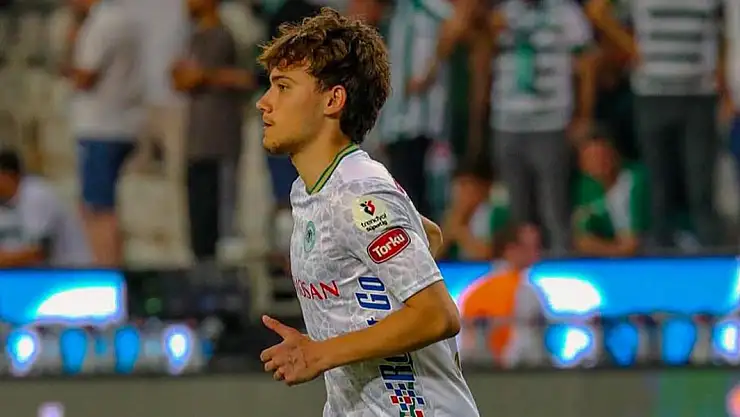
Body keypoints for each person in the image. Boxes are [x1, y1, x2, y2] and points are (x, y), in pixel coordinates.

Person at [256, 8, 477, 417]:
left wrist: (321, 353)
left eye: (283, 87)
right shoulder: (316, 188)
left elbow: (438, 315)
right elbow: (428, 235)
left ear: (333, 100)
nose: (264, 102)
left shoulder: (357, 192)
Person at [173, 0, 254, 262]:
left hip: (220, 139)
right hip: (196, 141)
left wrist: (205, 76)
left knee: (220, 214)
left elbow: (247, 77)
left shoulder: (227, 34)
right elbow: (179, 77)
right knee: (198, 217)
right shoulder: (193, 36)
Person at [65, 0, 142, 266]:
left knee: (97, 209)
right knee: (104, 205)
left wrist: (71, 50)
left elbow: (85, 75)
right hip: (123, 124)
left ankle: (105, 268)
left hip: (100, 128)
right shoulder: (126, 19)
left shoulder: (101, 24)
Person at [458, 223, 542, 366]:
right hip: (510, 372)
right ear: (510, 249)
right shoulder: (524, 291)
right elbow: (526, 345)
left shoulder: (474, 289)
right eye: (530, 248)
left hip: (476, 370)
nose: (536, 254)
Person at [0, 150, 92, 267]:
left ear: (7, 175)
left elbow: (38, 253)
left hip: (68, 271)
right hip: (29, 273)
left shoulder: (36, 195)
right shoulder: (5, 200)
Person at [572, 127, 649, 257]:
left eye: (603, 155)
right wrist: (616, 250)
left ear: (615, 154)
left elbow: (637, 237)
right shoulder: (585, 186)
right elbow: (582, 240)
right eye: (591, 158)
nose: (599, 162)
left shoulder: (637, 178)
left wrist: (624, 247)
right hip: (611, 258)